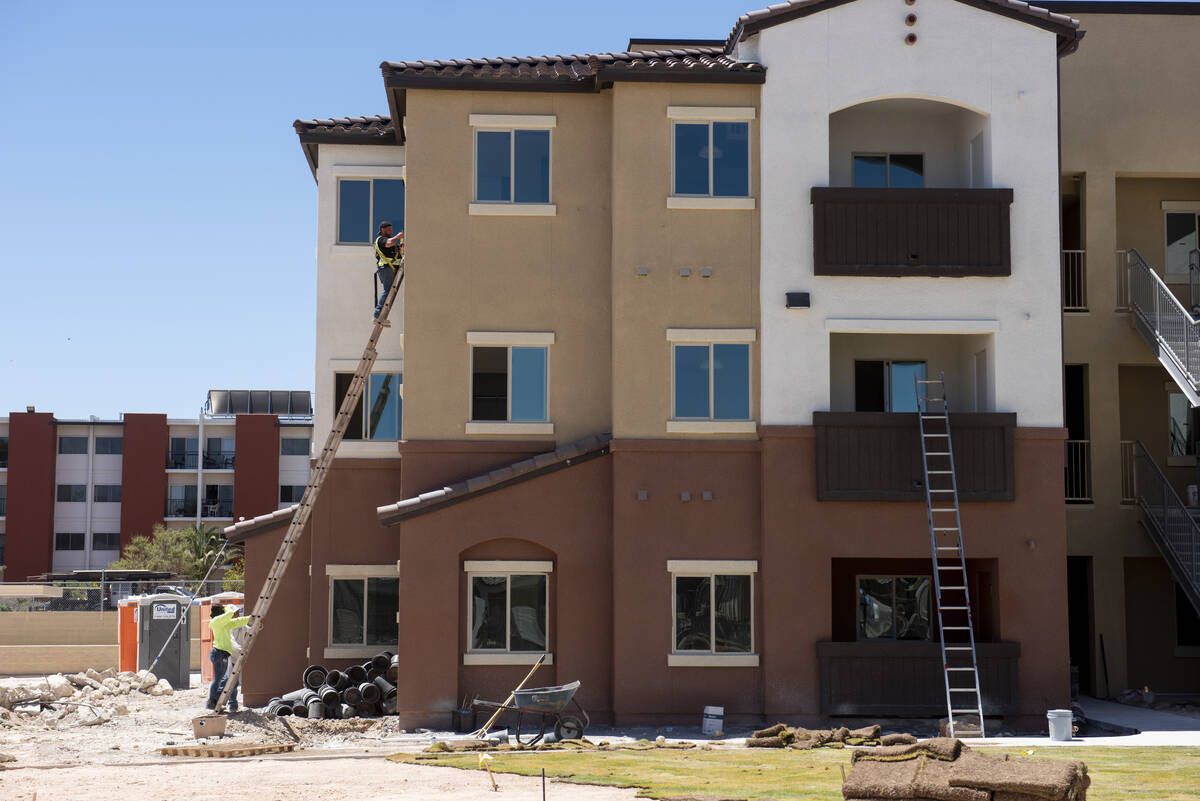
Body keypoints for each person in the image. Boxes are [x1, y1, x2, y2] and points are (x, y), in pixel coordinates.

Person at [206, 603, 250, 710]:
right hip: (219, 653)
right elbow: (229, 614)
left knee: (221, 678)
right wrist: (227, 607)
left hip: (223, 653)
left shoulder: (223, 624)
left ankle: (215, 702)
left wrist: (251, 618)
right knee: (219, 679)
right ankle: (212, 702)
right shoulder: (216, 621)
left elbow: (237, 622)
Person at [373, 221, 404, 326]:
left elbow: (397, 251)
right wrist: (398, 236)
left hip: (391, 269)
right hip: (386, 268)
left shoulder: (392, 243)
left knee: (389, 291)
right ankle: (377, 316)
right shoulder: (382, 240)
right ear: (382, 230)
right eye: (388, 229)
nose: (391, 231)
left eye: (391, 229)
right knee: (387, 291)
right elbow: (389, 243)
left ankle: (382, 317)